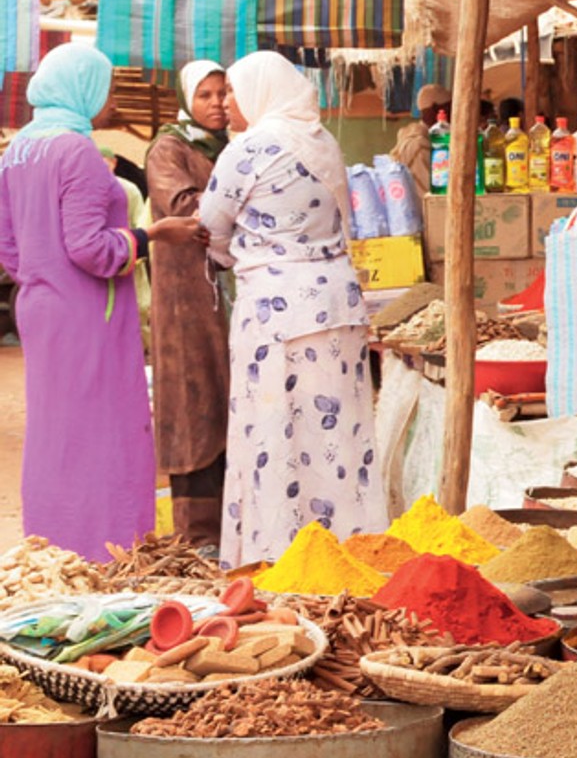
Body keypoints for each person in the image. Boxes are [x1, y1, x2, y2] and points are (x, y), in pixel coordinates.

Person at [0, 44, 203, 559]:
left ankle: (54, 545)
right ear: (80, 88)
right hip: (87, 312)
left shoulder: (18, 151)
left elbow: (8, 244)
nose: (110, 97)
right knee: (103, 433)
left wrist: (42, 281)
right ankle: (106, 549)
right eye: (105, 85)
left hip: (41, 308)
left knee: (57, 432)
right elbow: (92, 249)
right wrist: (149, 235)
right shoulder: (76, 152)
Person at [202, 50, 387, 566]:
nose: (229, 103)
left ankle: (277, 556)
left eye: (235, 91)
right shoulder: (322, 143)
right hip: (337, 305)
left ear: (260, 93)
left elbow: (210, 228)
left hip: (277, 314)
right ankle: (347, 552)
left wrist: (231, 253)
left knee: (275, 432)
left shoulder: (250, 149)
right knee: (339, 435)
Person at [146, 61, 233, 551]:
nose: (217, 104)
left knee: (227, 402)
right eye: (205, 95)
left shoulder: (231, 145)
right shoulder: (169, 147)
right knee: (195, 403)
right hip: (186, 298)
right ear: (187, 99)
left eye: (223, 93)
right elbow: (184, 207)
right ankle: (197, 535)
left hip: (226, 292)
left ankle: (230, 527)